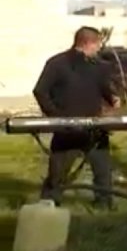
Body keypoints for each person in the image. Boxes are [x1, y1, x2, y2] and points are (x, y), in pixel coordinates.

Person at [32, 26, 120, 209]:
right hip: (67, 128)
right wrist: (56, 117)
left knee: (102, 169)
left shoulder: (99, 66)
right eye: (98, 45)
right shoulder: (57, 63)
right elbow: (40, 91)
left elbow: (104, 88)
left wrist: (112, 97)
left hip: (94, 126)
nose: (99, 49)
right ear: (89, 43)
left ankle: (104, 204)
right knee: (58, 171)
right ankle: (49, 203)